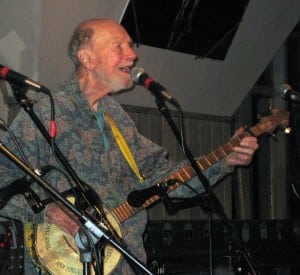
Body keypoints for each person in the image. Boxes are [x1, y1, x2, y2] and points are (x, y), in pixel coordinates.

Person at [0, 18, 258, 274]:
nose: (132, 55)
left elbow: (161, 179)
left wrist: (224, 161)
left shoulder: (117, 118)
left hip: (126, 262)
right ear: (87, 59)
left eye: (130, 46)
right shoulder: (47, 112)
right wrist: (50, 211)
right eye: (119, 46)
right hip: (66, 263)